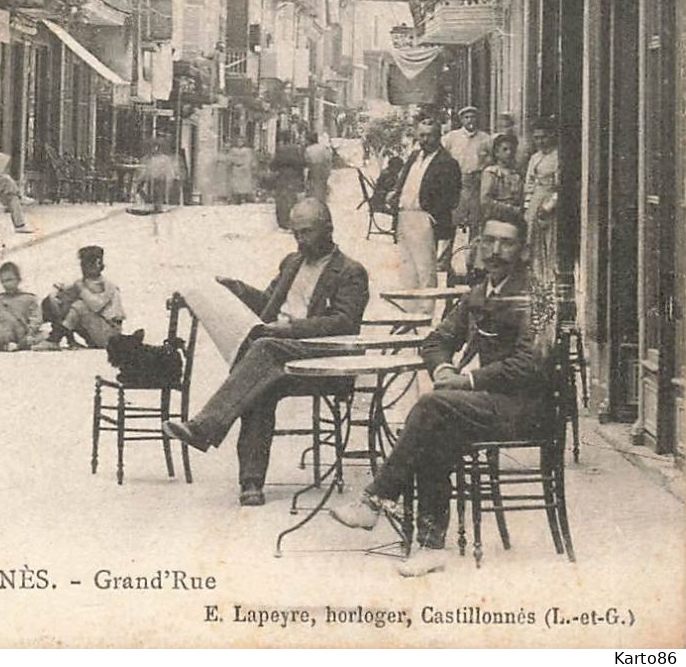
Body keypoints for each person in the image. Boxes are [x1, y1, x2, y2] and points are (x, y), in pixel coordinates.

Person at [331, 208, 551, 577]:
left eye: (507, 243)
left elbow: (531, 366)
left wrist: (466, 382)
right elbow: (436, 340)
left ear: (524, 251)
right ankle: (430, 547)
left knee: (434, 405)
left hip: (526, 409)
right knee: (435, 425)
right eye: (489, 240)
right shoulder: (480, 293)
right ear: (478, 244)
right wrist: (445, 368)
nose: (496, 250)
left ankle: (377, 498)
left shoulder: (535, 296)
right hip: (489, 405)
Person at [166, 199, 369, 505]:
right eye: (296, 233)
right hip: (278, 356)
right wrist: (233, 288)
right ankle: (251, 485)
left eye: (307, 233)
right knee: (258, 383)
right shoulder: (292, 263)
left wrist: (287, 330)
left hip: (324, 359)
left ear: (328, 229)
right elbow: (267, 304)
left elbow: (344, 322)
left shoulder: (350, 271)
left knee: (262, 351)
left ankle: (205, 427)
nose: (300, 240)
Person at [391, 117, 462, 315]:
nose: (425, 139)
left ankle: (425, 312)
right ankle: (408, 309)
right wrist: (396, 197)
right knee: (407, 265)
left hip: (424, 218)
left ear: (438, 137)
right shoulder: (414, 157)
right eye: (421, 135)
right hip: (406, 216)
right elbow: (404, 181)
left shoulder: (447, 162)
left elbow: (451, 195)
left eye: (430, 135)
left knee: (425, 267)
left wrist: (433, 216)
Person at [40, 246, 125, 349]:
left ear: (100, 266)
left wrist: (80, 289)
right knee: (62, 302)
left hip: (109, 333)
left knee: (79, 306)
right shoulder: (82, 283)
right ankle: (69, 341)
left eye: (91, 264)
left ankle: (55, 339)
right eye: (84, 264)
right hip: (94, 331)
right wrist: (59, 294)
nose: (86, 268)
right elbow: (64, 298)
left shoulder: (108, 286)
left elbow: (96, 305)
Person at [442, 105, 493, 264]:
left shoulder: (485, 139)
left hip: (477, 183)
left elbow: (492, 159)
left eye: (473, 117)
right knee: (452, 222)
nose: (470, 120)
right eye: (466, 117)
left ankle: (472, 261)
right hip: (457, 184)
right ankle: (444, 258)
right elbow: (442, 157)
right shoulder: (451, 137)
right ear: (461, 119)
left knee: (476, 223)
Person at [524, 119, 561, 279]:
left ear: (551, 136)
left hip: (550, 199)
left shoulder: (557, 156)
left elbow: (561, 186)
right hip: (536, 200)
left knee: (550, 240)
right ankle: (537, 278)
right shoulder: (535, 157)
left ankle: (550, 278)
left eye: (544, 137)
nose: (540, 141)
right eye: (537, 138)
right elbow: (530, 182)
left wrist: (549, 206)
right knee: (533, 240)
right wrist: (528, 206)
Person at [0, 262, 40, 352]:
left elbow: (36, 318)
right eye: (3, 281)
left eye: (9, 280)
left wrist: (30, 333)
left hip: (23, 333)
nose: (6, 284)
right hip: (6, 332)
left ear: (18, 279)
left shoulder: (28, 298)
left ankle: (18, 345)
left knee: (44, 335)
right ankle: (6, 345)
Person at [269, 134, 307, 229]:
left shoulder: (280, 150)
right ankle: (292, 221)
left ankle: (282, 222)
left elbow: (273, 165)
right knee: (293, 200)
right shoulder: (298, 150)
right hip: (295, 177)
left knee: (282, 200)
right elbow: (302, 163)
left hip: (283, 177)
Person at [303, 130, 334, 206]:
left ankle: (315, 203)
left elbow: (306, 162)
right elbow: (329, 159)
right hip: (323, 169)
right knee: (322, 185)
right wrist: (328, 170)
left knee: (313, 187)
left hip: (313, 169)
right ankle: (322, 202)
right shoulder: (323, 148)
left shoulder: (308, 149)